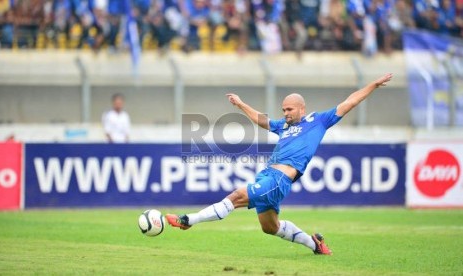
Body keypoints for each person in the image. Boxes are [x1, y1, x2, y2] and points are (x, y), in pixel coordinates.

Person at [166, 73, 393, 255]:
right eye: (283, 109)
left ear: (301, 109)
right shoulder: (283, 126)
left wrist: (372, 84)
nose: (285, 113)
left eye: (289, 109)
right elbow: (261, 120)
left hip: (279, 179)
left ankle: (189, 220)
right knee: (270, 228)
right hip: (266, 176)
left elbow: (349, 102)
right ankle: (316, 245)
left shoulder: (319, 121)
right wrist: (241, 105)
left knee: (235, 197)